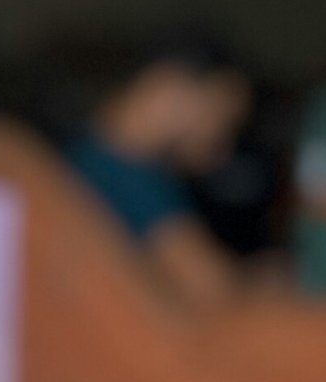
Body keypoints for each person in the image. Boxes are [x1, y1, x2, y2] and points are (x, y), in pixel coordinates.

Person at [67, 33, 257, 309]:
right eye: (223, 119)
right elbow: (214, 289)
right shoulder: (125, 173)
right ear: (172, 87)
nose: (223, 149)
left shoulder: (80, 155)